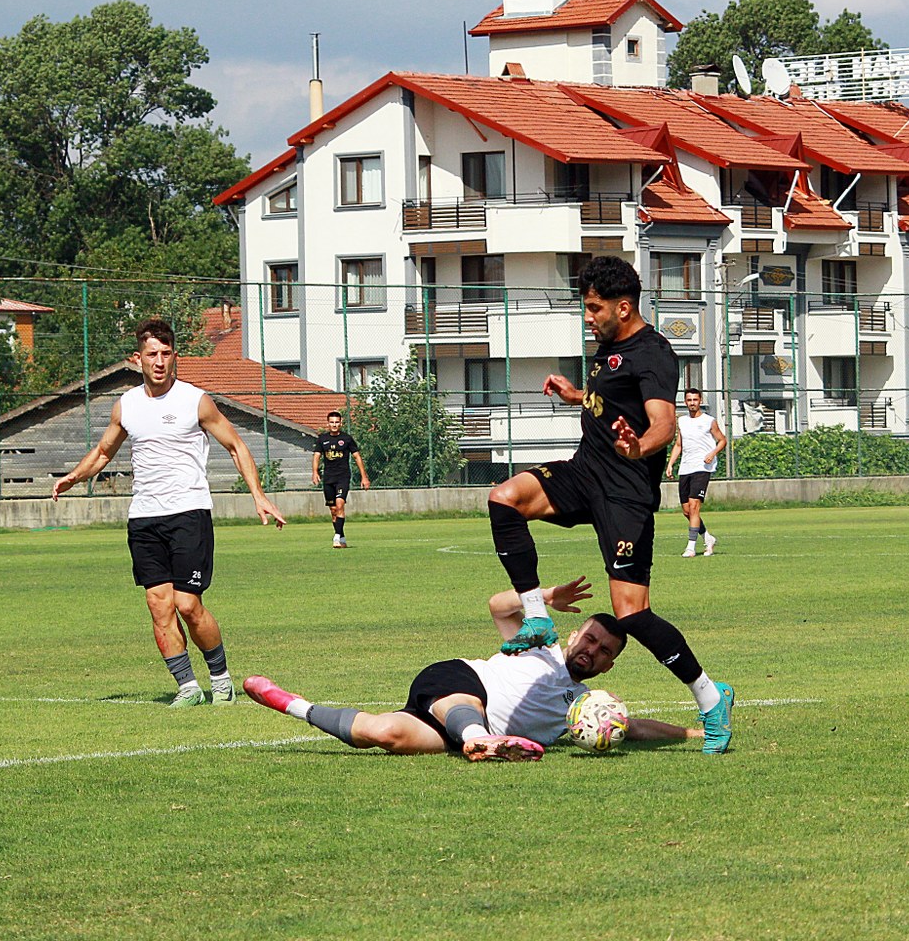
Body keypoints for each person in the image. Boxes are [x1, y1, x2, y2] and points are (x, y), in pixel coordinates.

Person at [485, 256, 734, 754]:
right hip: (585, 473)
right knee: (504, 499)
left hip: (626, 492)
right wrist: (579, 394)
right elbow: (611, 400)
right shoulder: (607, 347)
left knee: (632, 613)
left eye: (595, 308)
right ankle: (536, 616)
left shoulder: (653, 353)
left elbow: (662, 423)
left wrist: (638, 447)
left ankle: (710, 697)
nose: (588, 316)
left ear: (624, 307)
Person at [53, 318, 287, 708]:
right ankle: (188, 688)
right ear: (138, 359)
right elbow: (104, 452)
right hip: (144, 518)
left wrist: (258, 495)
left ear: (174, 356)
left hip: (189, 513)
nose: (159, 361)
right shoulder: (125, 405)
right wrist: (73, 477)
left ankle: (221, 679)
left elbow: (236, 446)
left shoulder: (195, 400)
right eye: (151, 355)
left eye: (165, 354)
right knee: (158, 604)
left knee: (187, 605)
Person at [243, 575, 706, 760]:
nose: (592, 651)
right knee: (469, 707)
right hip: (457, 683)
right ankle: (479, 740)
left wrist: (691, 734)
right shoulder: (537, 646)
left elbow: (634, 727)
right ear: (572, 635)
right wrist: (542, 600)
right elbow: (498, 605)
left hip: (456, 732)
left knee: (383, 734)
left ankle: (289, 702)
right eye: (589, 639)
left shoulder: (585, 707)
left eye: (604, 651)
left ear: (608, 668)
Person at [665, 388, 726, 558]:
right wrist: (670, 464)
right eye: (689, 400)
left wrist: (712, 454)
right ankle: (708, 537)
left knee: (694, 506)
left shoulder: (709, 421)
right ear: (685, 402)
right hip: (686, 468)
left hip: (702, 468)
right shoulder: (682, 421)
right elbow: (679, 444)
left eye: (695, 400)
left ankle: (691, 547)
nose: (692, 403)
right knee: (687, 511)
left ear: (700, 401)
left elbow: (722, 440)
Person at [311, 410, 370, 549]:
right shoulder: (322, 439)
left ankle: (336, 537)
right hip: (328, 478)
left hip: (343, 477)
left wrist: (364, 476)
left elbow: (357, 457)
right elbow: (316, 456)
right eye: (332, 422)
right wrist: (315, 472)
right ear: (328, 423)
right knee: (333, 511)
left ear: (341, 423)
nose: (334, 425)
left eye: (337, 422)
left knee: (339, 505)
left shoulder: (347, 439)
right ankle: (341, 536)